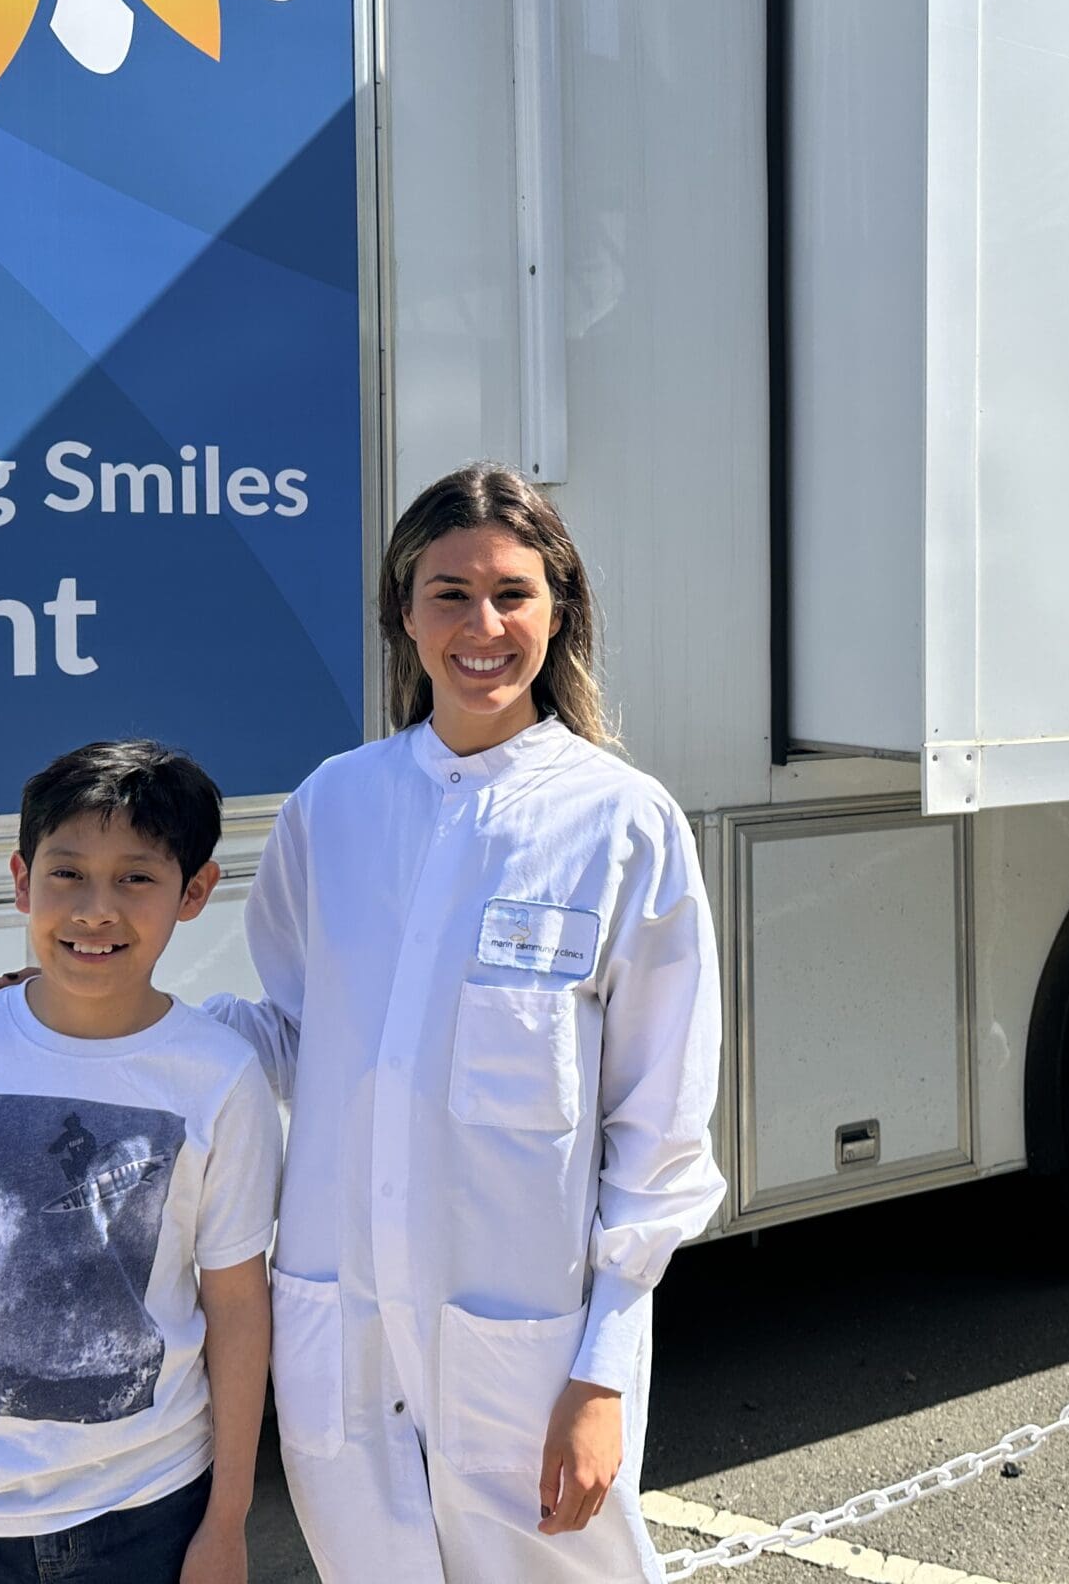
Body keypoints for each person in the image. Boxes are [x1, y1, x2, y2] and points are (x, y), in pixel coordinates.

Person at [232, 464, 726, 1582]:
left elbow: (659, 1131)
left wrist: (602, 1373)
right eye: (449, 594)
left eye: (512, 594)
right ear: (404, 615)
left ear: (560, 610)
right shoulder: (335, 805)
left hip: (528, 1350)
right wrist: (81, 1013)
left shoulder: (620, 822)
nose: (483, 626)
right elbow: (293, 1031)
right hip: (342, 1330)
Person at [0, 742, 276, 1584]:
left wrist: (228, 1520)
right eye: (67, 874)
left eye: (136, 878)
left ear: (195, 892)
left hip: (151, 1509)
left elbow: (236, 1304)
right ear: (21, 879)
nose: (95, 910)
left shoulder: (220, 1077)